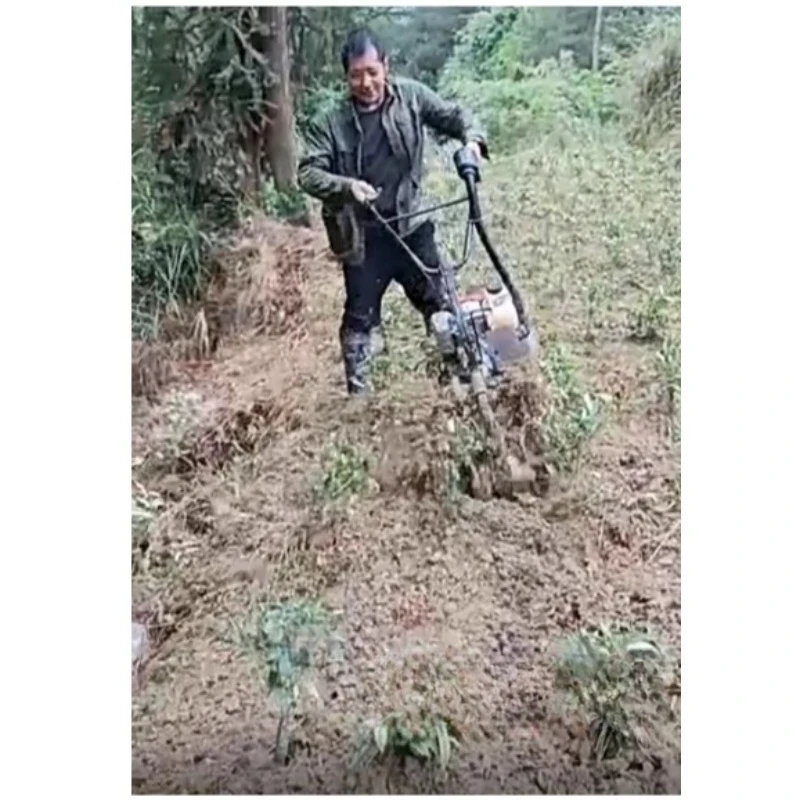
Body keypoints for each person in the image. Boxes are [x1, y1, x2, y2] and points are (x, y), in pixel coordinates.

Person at [297, 28, 488, 395]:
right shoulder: (331, 121)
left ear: (386, 66)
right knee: (359, 321)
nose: (365, 82)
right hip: (362, 235)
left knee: (443, 305)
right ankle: (360, 396)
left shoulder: (413, 97)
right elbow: (308, 172)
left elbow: (454, 116)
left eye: (372, 71)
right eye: (356, 75)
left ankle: (462, 375)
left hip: (412, 225)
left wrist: (473, 141)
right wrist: (346, 186)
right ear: (345, 76)